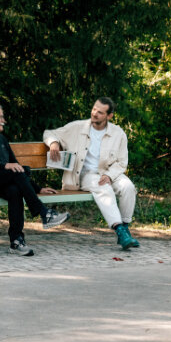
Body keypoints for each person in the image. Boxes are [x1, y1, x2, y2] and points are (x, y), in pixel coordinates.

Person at [0, 102, 69, 256]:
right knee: (15, 173)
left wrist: (37, 188)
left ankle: (16, 241)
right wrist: (4, 165)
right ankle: (43, 213)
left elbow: (16, 168)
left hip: (2, 182)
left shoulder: (2, 140)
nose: (3, 120)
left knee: (15, 189)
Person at [43, 97, 139, 250]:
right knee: (103, 188)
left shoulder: (118, 133)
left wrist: (110, 175)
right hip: (85, 175)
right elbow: (50, 133)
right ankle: (119, 231)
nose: (94, 114)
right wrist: (54, 144)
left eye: (100, 112)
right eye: (94, 109)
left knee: (128, 186)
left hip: (109, 172)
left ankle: (125, 228)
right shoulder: (77, 127)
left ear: (109, 116)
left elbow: (121, 162)